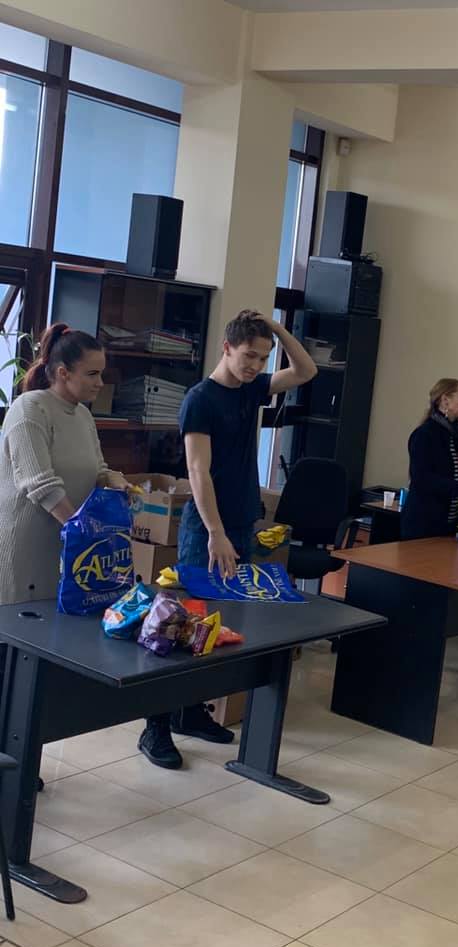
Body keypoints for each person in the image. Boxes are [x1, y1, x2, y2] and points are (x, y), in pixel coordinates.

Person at [138, 309, 317, 769]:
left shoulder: (252, 389)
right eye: (248, 355)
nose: (255, 366)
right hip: (207, 529)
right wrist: (215, 533)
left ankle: (190, 711)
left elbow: (306, 371)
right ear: (226, 348)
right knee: (182, 625)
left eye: (262, 358)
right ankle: (155, 727)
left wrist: (277, 328)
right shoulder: (200, 400)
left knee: (218, 627)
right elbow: (197, 471)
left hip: (240, 523)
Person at [0, 324, 127, 605]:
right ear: (63, 373)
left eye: (101, 373)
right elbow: (40, 483)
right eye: (92, 374)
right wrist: (83, 531)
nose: (101, 383)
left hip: (69, 544)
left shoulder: (83, 415)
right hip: (26, 548)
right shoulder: (30, 409)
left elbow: (98, 469)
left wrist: (112, 479)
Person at [401, 378, 458, 541]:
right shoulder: (425, 434)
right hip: (424, 523)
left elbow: (455, 471)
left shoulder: (455, 434)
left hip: (447, 524)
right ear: (445, 400)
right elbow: (422, 478)